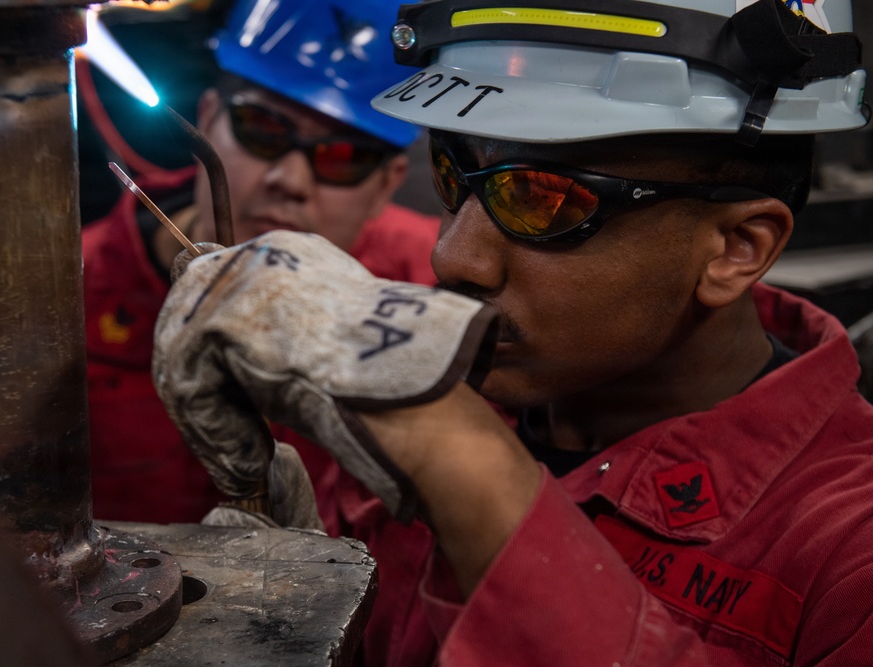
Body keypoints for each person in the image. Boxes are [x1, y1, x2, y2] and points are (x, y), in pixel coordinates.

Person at [151, 0, 873, 664]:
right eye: (451, 172)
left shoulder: (845, 554)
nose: (452, 256)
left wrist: (463, 460)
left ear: (735, 248)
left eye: (541, 197)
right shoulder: (478, 387)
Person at [82, 0, 440, 524]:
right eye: (263, 129)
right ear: (207, 119)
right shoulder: (67, 293)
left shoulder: (433, 293)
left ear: (387, 183)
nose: (290, 181)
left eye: (342, 157)